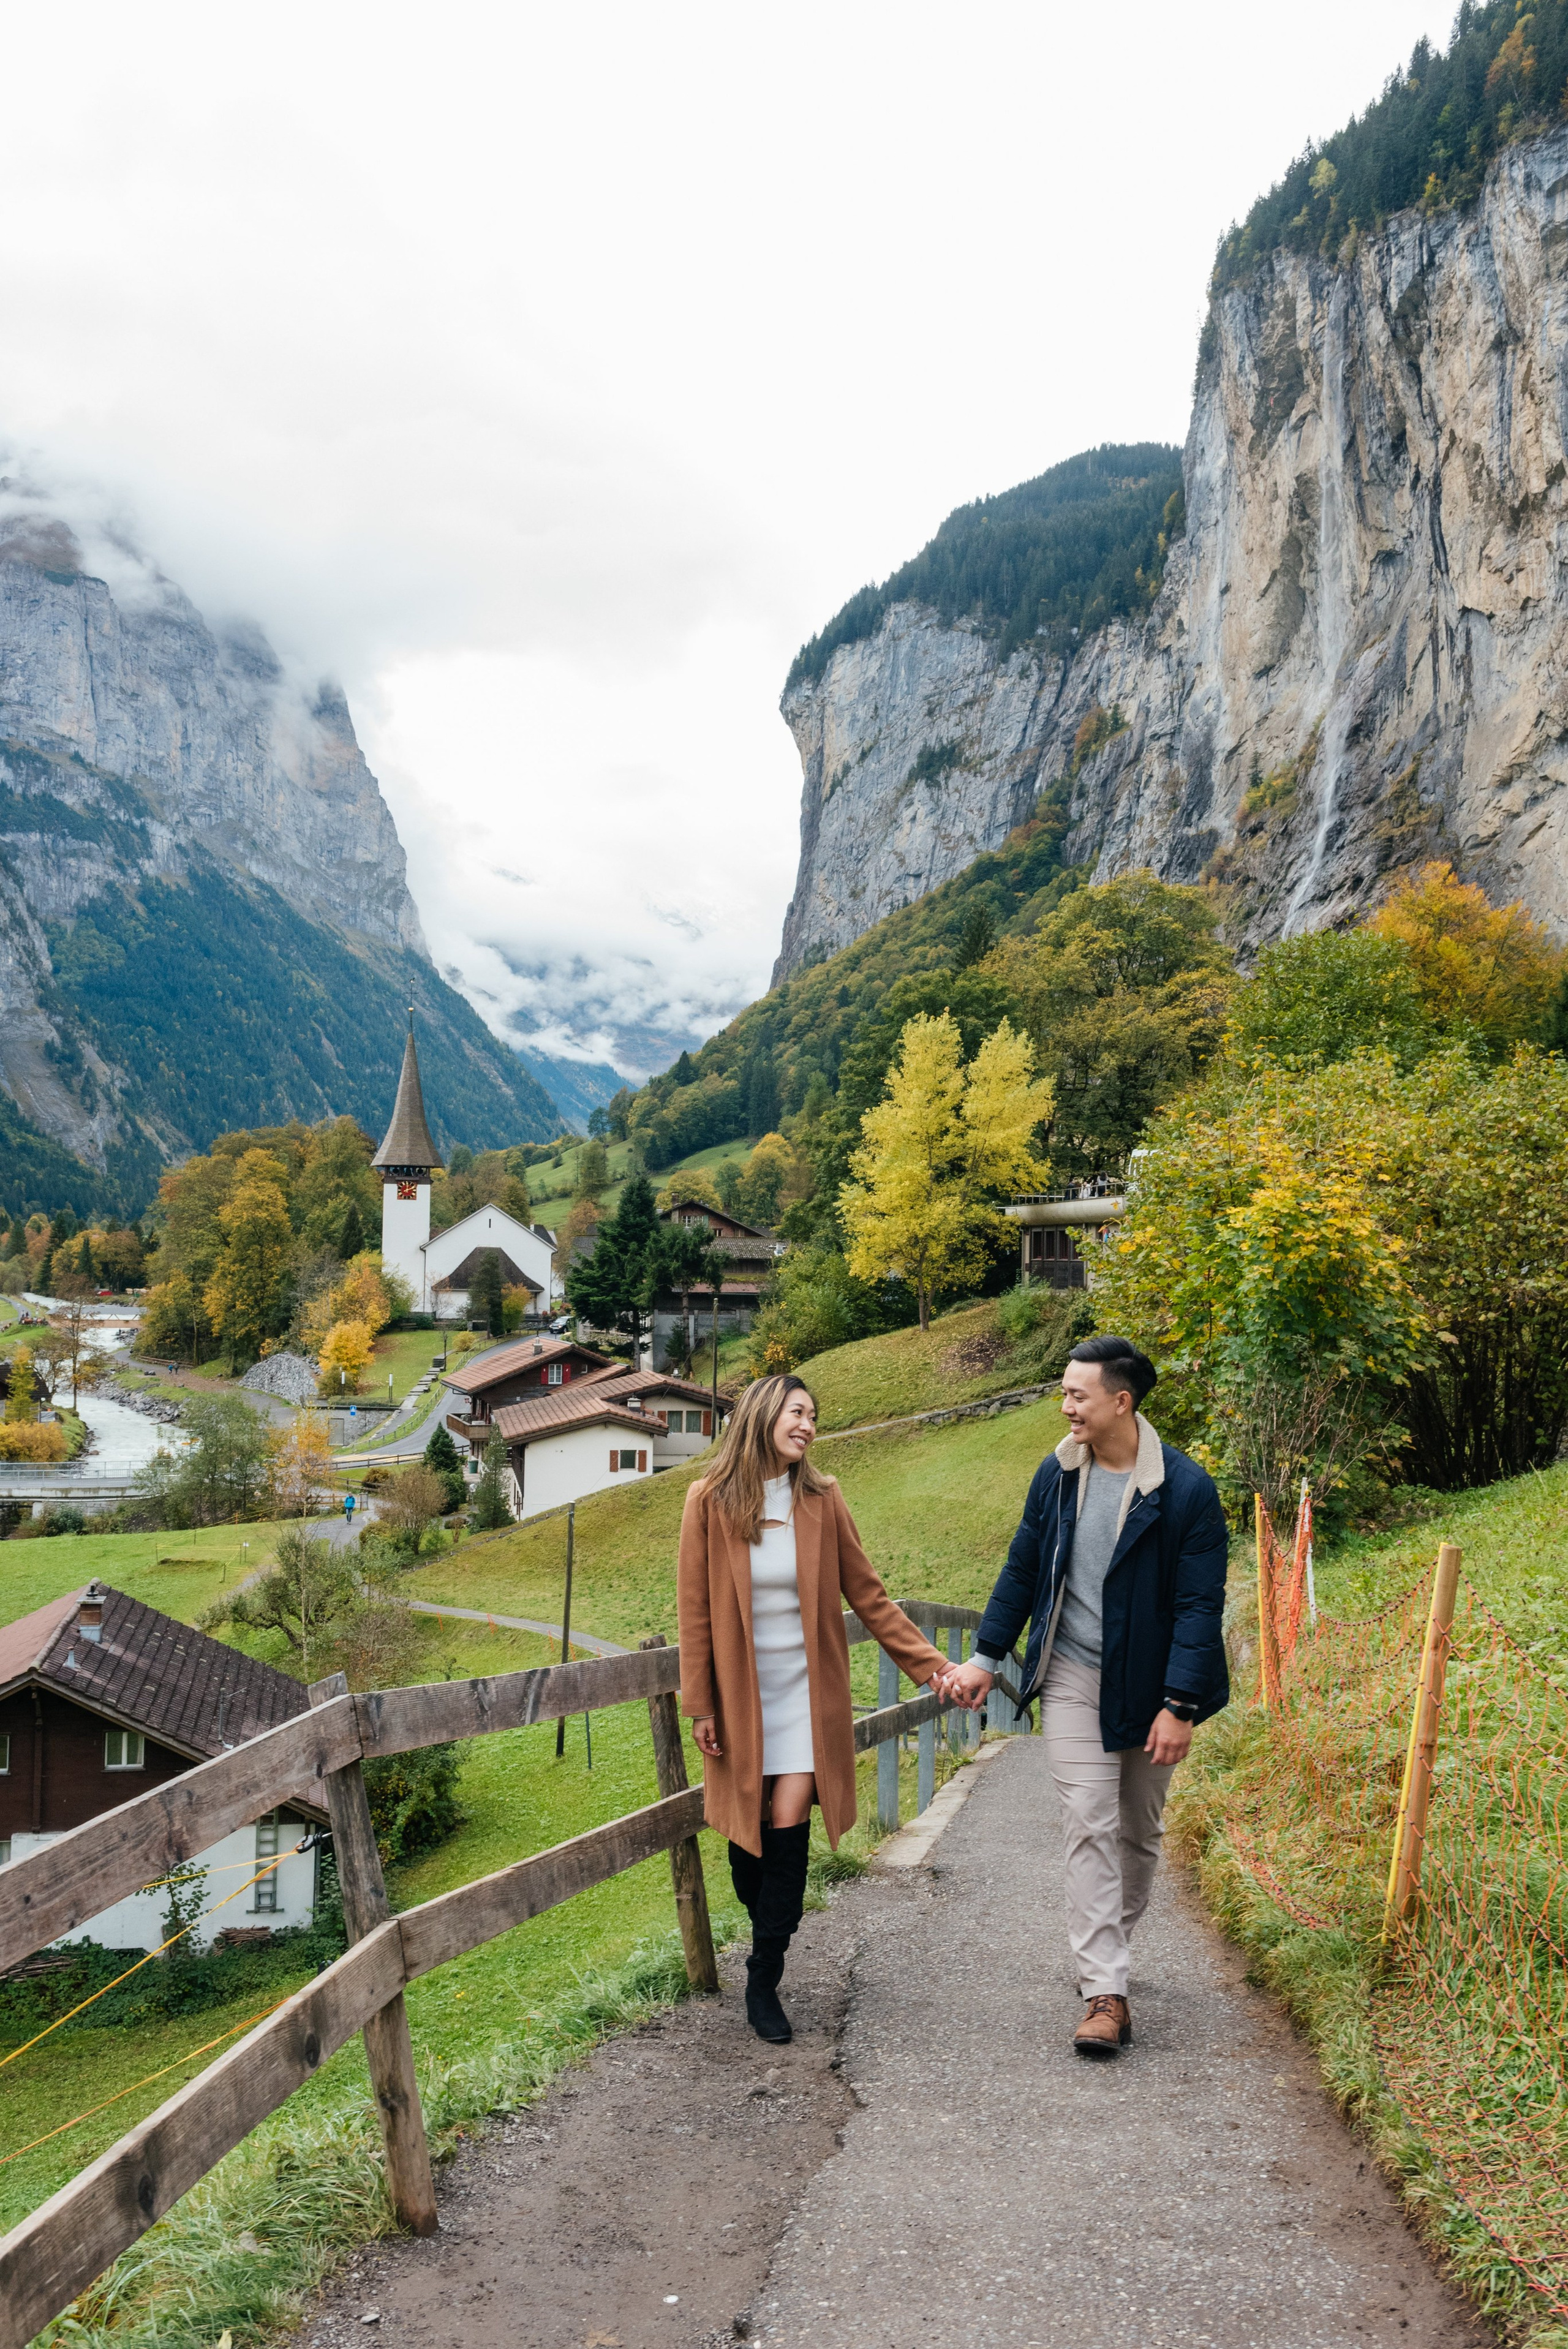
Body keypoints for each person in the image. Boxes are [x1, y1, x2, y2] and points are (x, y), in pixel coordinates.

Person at [946, 1335, 1228, 2059]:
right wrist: (985, 1655)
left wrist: (1180, 1705)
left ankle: (1108, 1951)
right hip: (1072, 1669)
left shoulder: (1186, 1492)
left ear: (1120, 1401)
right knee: (1089, 1818)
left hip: (1152, 1683)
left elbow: (1200, 1608)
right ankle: (1106, 1992)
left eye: (1078, 1394)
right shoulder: (1057, 1473)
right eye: (1064, 1392)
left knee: (1137, 1831)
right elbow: (1022, 1565)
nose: (1065, 1405)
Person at [677, 1371, 954, 2044]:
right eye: (798, 1412)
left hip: (806, 1698)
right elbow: (694, 1610)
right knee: (750, 1850)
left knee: (787, 1817)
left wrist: (933, 1667)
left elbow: (871, 1596)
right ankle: (770, 1921)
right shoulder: (708, 1499)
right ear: (765, 1413)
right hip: (743, 1695)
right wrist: (701, 1704)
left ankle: (763, 1976)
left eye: (813, 1417)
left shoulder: (823, 1500)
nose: (807, 1425)